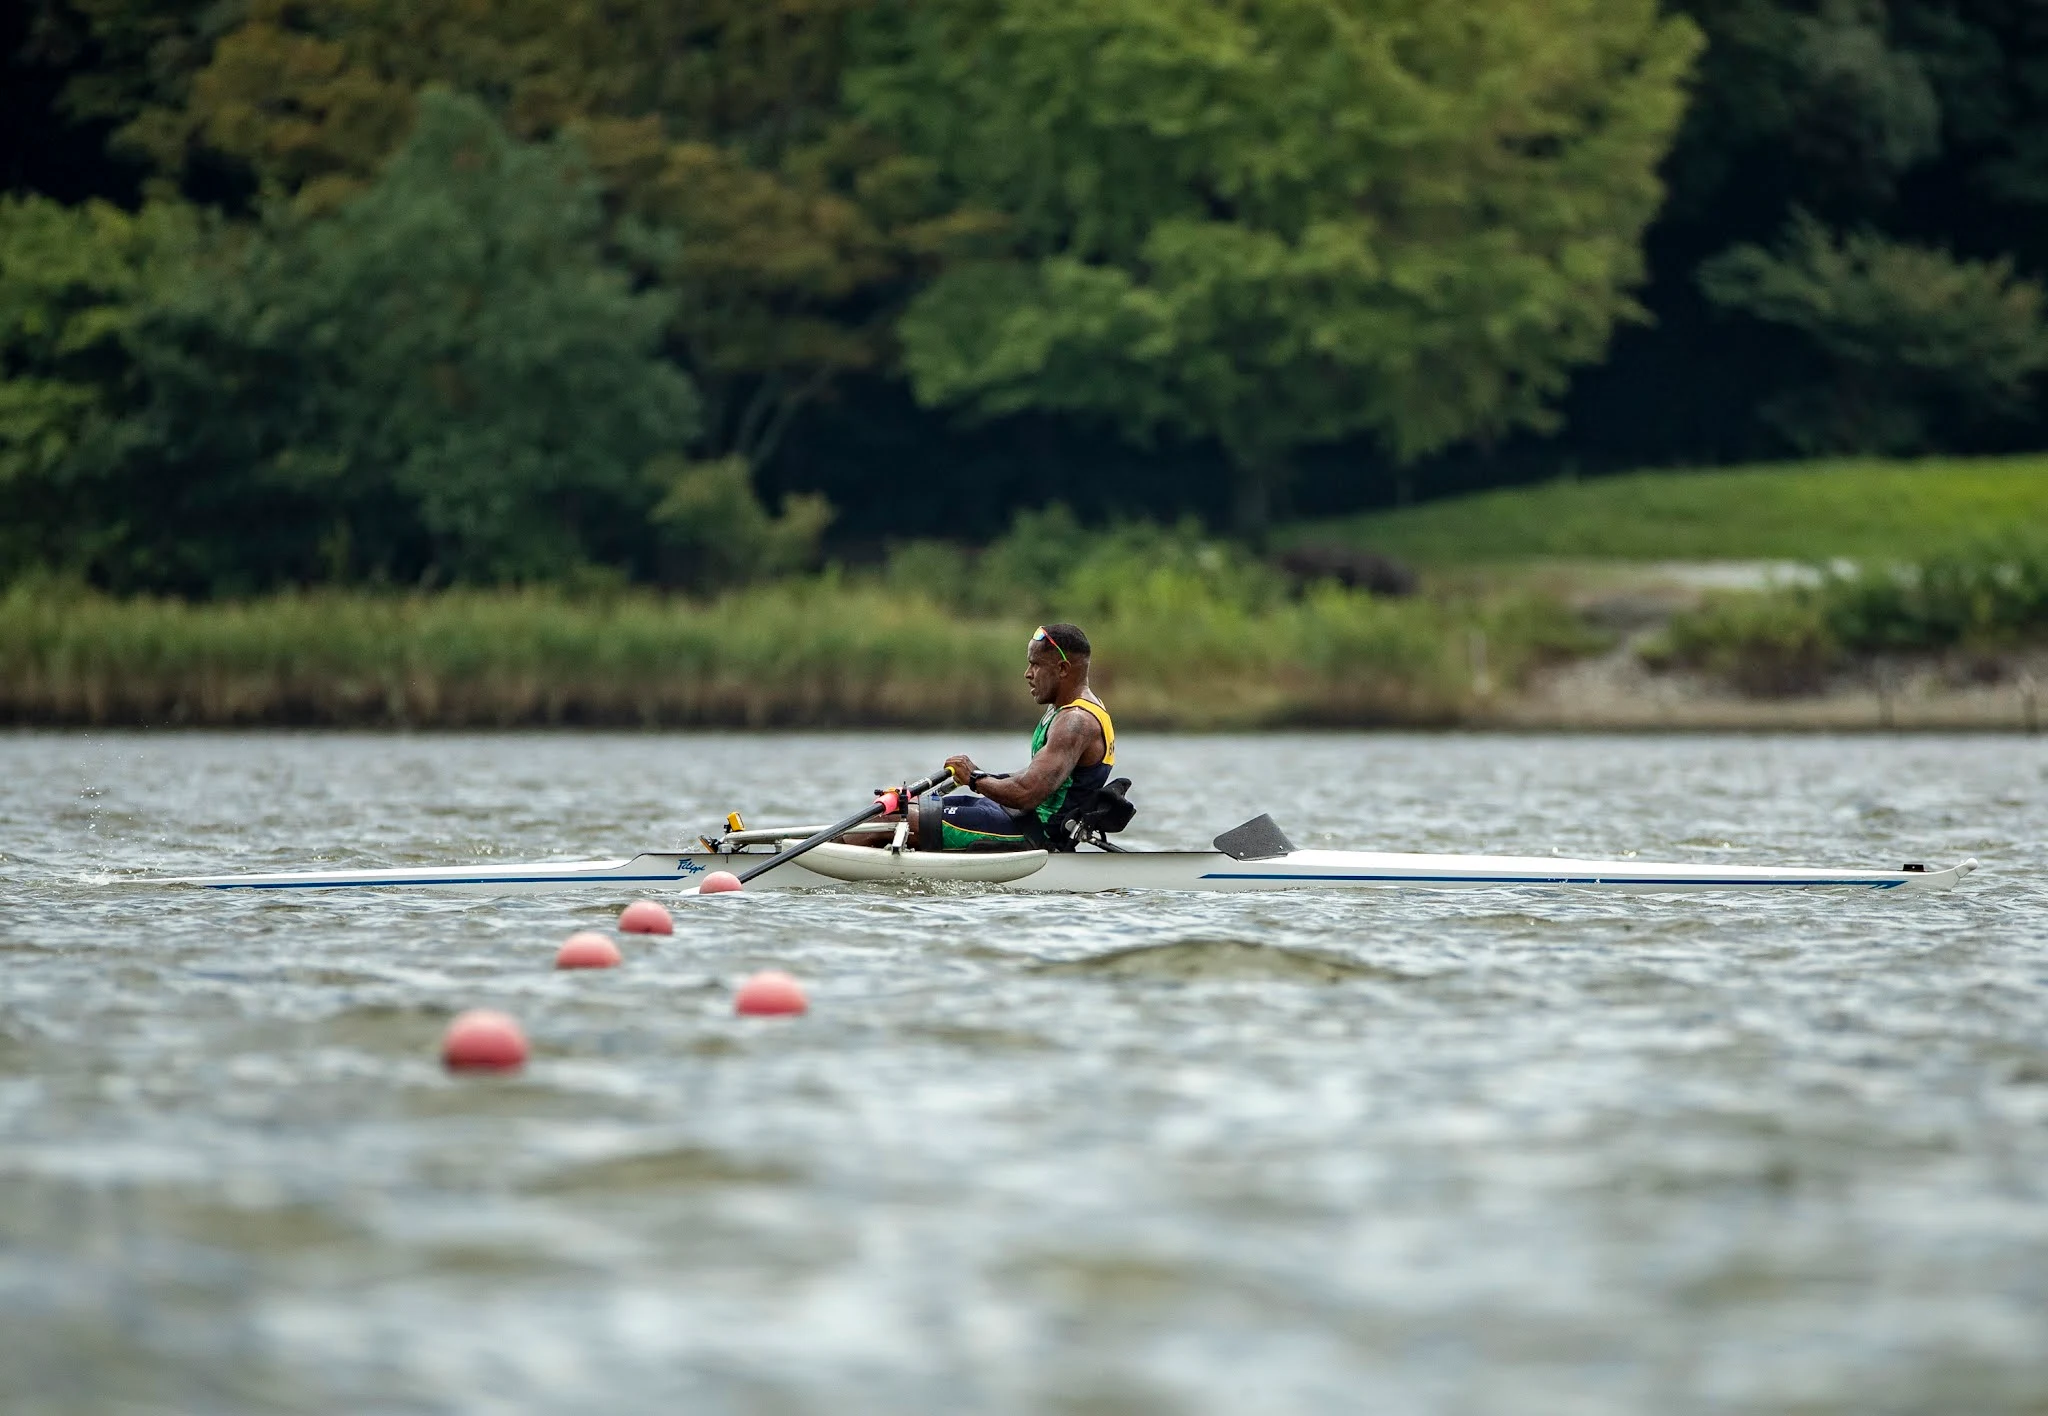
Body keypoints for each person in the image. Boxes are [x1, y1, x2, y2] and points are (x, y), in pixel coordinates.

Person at [901, 622, 1116, 851]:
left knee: (895, 822)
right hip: (1015, 816)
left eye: (1035, 664)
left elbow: (1027, 793)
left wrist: (974, 779)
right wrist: (981, 776)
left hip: (1031, 831)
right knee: (905, 808)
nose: (1027, 673)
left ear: (1062, 669)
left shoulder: (1076, 721)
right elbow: (1033, 777)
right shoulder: (1065, 711)